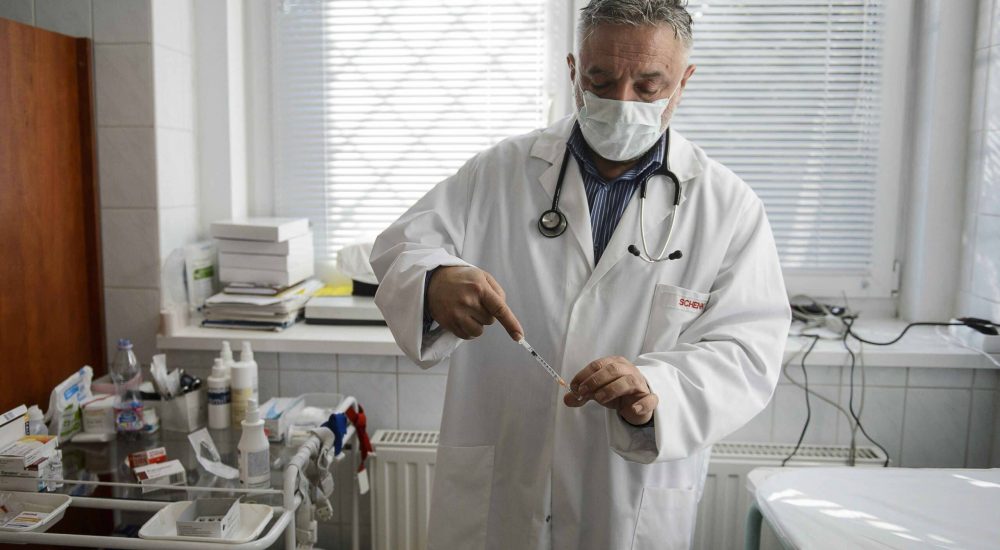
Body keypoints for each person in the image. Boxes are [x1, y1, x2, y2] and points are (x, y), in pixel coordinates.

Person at [371, 0, 791, 548]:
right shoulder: (498, 172)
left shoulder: (728, 206)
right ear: (573, 71)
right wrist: (435, 280)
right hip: (504, 482)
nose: (622, 103)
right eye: (601, 80)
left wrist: (657, 388)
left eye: (648, 85)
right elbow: (401, 250)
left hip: (627, 495)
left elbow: (747, 349)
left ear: (683, 82)